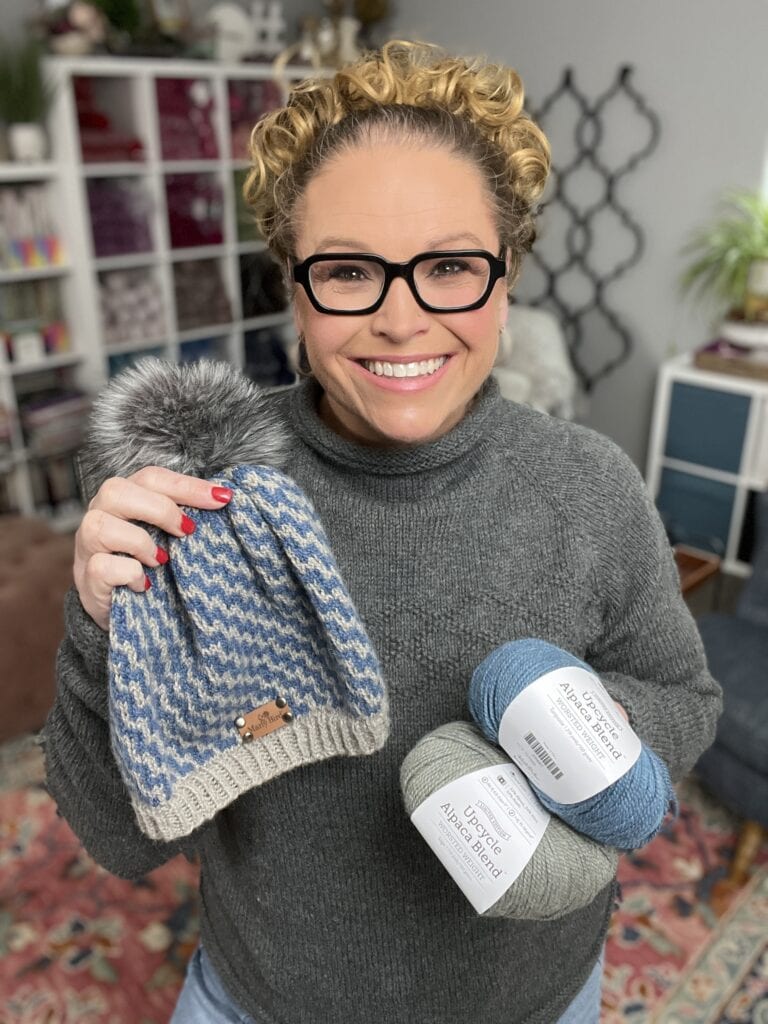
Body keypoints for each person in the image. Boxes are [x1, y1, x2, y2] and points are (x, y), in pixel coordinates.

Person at [44, 40, 721, 1024]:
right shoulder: (210, 503)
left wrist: (567, 727)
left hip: (534, 1001)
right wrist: (97, 629)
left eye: (449, 265)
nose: (403, 320)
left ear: (507, 275)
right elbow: (120, 837)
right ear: (294, 285)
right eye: (350, 269)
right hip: (262, 1003)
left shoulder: (591, 491)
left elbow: (684, 696)